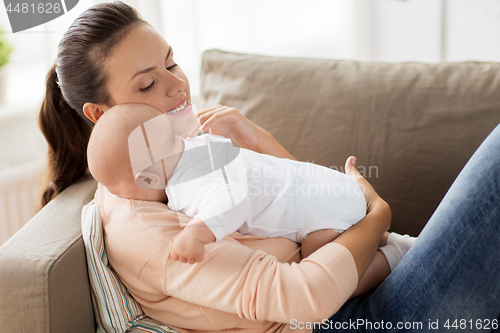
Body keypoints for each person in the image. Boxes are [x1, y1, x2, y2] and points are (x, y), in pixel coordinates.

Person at [38, 2, 500, 333]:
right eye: (148, 84)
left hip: (353, 278)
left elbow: (296, 201)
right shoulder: (148, 225)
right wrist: (378, 213)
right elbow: (305, 300)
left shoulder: (176, 148)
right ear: (100, 114)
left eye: (172, 62)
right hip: (349, 316)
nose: (178, 86)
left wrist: (255, 138)